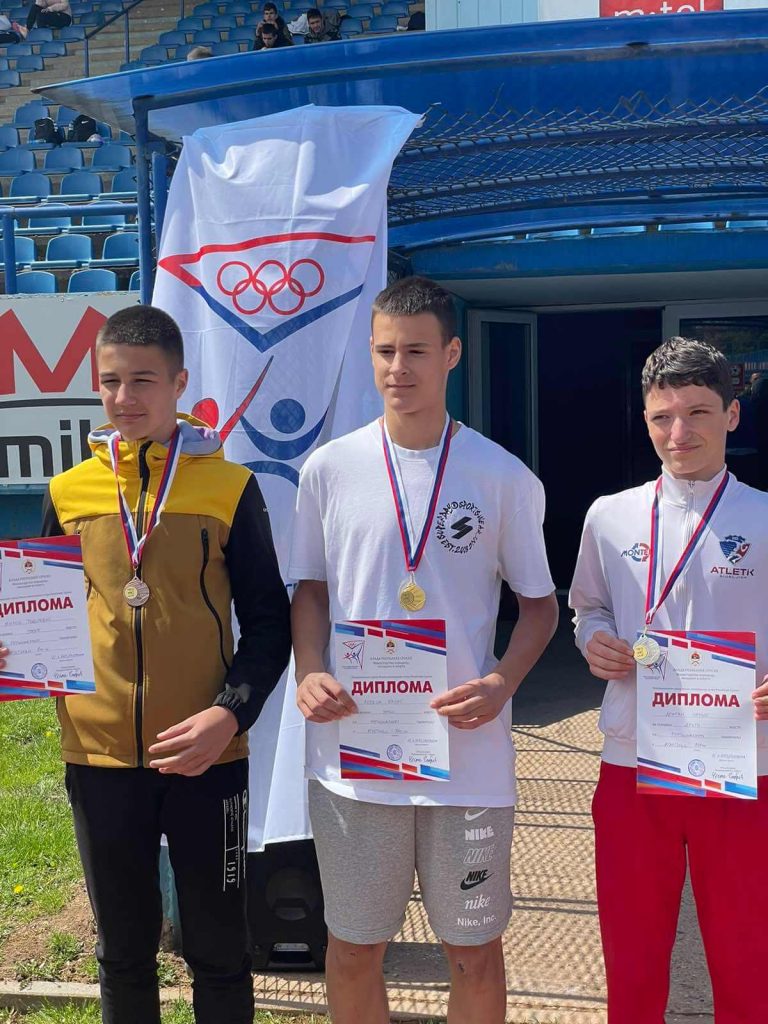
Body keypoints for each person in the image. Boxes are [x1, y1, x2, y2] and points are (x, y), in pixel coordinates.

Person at [289, 276, 558, 1024]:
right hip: (355, 758)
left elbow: (540, 608)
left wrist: (501, 683)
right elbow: (310, 588)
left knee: (473, 952)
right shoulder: (329, 470)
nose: (397, 367)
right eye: (384, 351)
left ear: (452, 354)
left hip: (466, 759)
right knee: (354, 948)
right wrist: (310, 670)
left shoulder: (501, 476)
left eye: (415, 351)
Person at [35, 306, 291, 1024]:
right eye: (110, 381)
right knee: (123, 951)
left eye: (143, 380)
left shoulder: (228, 488)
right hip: (98, 755)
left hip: (206, 753)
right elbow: (43, 609)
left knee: (219, 948)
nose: (125, 398)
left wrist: (228, 716)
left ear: (179, 384)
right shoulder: (67, 492)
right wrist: (17, 652)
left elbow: (269, 624)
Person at [569, 336, 768, 1024]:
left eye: (698, 412)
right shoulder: (609, 515)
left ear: (732, 415)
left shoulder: (764, 518)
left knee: (747, 958)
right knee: (632, 955)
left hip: (744, 766)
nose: (678, 432)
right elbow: (588, 608)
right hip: (633, 763)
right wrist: (594, 641)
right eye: (662, 417)